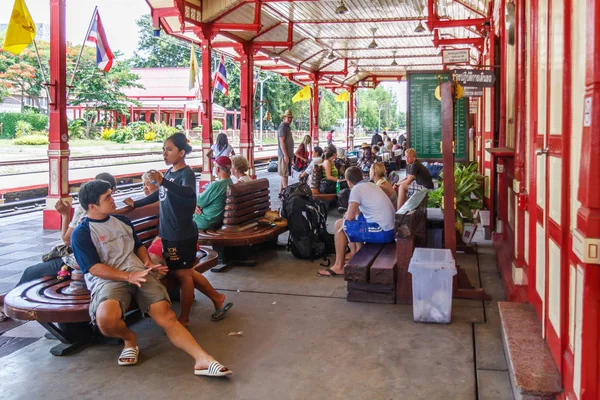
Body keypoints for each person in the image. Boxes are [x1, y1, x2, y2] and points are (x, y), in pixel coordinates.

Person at [71, 180, 232, 376]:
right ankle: (129, 339)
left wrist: (147, 262)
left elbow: (138, 246)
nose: (113, 200)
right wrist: (128, 276)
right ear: (92, 206)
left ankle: (202, 359)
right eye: (108, 197)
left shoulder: (121, 221)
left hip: (139, 273)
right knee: (106, 320)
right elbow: (94, 268)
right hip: (110, 279)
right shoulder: (82, 233)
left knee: (167, 315)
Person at [0, 173, 118, 323]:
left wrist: (65, 215)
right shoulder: (116, 211)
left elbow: (68, 239)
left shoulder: (88, 209)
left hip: (81, 265)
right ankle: (7, 300)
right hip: (103, 259)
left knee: (32, 272)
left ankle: (8, 304)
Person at [124, 133, 198, 327]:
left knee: (184, 275)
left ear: (182, 153)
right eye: (163, 149)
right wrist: (136, 203)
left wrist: (162, 181)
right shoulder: (171, 173)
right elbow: (159, 194)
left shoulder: (186, 174)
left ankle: (185, 317)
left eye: (169, 149)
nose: (165, 153)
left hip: (182, 234)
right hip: (168, 233)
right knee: (180, 273)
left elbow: (188, 192)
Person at [138, 176, 233, 322]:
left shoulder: (166, 200)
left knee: (183, 274)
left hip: (174, 241)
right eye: (143, 185)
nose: (145, 188)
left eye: (148, 184)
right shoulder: (168, 198)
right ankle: (216, 297)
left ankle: (185, 317)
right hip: (172, 241)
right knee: (186, 272)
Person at [317, 167, 396, 277]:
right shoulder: (371, 185)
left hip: (383, 232)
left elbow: (348, 218)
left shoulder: (356, 189)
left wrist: (347, 216)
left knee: (339, 224)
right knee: (358, 218)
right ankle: (356, 253)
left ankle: (338, 266)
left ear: (348, 181)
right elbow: (356, 214)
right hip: (390, 229)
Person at [193, 156, 233, 230]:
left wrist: (195, 206)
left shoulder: (216, 185)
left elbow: (199, 202)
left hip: (205, 221)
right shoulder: (230, 182)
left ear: (217, 169)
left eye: (214, 166)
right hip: (218, 220)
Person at [277, 110, 294, 193]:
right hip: (284, 155)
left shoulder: (287, 127)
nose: (290, 119)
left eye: (291, 117)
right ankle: (286, 193)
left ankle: (281, 192)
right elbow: (282, 141)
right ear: (284, 118)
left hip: (287, 154)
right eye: (288, 117)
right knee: (285, 174)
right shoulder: (283, 127)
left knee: (284, 174)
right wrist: (285, 155)